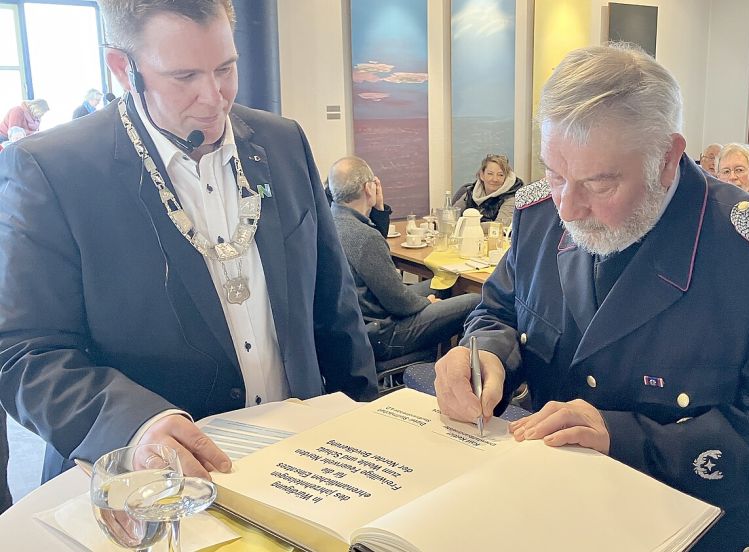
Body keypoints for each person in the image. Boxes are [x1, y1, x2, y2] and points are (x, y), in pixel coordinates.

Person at [433, 43, 749, 551]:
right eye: (555, 174)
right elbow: (500, 311)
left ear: (669, 157)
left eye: (599, 183)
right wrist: (482, 355)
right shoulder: (538, 217)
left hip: (700, 530)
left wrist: (625, 438)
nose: (568, 206)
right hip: (551, 511)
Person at [0, 0, 376, 482]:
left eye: (226, 68)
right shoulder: (51, 169)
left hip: (300, 460)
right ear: (123, 68)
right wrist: (136, 425)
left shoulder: (282, 141)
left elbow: (333, 304)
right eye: (184, 77)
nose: (214, 96)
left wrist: (365, 416)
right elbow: (26, 352)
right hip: (154, 483)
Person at [329, 156, 480, 361]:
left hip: (357, 322)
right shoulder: (363, 236)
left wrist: (378, 210)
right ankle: (457, 367)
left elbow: (373, 260)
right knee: (473, 300)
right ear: (368, 188)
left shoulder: (331, 222)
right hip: (381, 334)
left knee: (440, 286)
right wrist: (426, 303)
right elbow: (397, 301)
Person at [452, 154, 525, 226]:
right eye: (490, 174)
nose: (495, 179)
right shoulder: (471, 192)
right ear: (482, 175)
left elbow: (499, 226)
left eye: (500, 175)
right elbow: (451, 216)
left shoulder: (511, 197)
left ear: (506, 178)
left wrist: (469, 226)